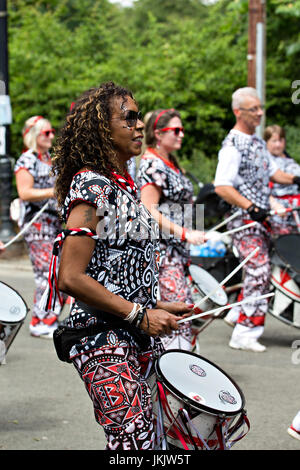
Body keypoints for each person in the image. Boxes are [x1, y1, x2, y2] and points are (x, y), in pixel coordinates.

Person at [43, 82, 193, 451]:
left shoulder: (125, 185)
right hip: (100, 339)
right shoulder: (91, 186)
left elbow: (115, 268)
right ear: (101, 128)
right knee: (135, 445)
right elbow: (71, 277)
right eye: (129, 118)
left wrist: (155, 307)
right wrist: (140, 315)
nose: (139, 125)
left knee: (156, 442)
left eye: (139, 116)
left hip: (133, 333)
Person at [214, 87, 300, 352]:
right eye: (255, 109)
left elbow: (274, 173)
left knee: (261, 269)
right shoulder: (233, 144)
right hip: (244, 222)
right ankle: (244, 332)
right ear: (238, 112)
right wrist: (250, 207)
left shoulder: (258, 142)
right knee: (259, 270)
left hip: (262, 220)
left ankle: (236, 316)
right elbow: (222, 186)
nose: (260, 113)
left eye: (261, 108)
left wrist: (296, 179)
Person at [136, 108, 205, 351]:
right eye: (176, 130)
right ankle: (172, 371)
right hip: (161, 252)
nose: (181, 134)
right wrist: (185, 232)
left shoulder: (170, 163)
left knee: (189, 310)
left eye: (182, 129)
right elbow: (148, 209)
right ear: (157, 133)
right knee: (177, 314)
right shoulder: (152, 165)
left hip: (177, 252)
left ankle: (177, 366)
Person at [14, 115, 64, 338]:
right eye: (46, 133)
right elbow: (24, 193)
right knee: (46, 272)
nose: (51, 136)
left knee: (57, 270)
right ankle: (40, 319)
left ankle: (49, 317)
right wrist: (51, 192)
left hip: (53, 222)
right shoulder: (27, 160)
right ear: (35, 135)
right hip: (37, 224)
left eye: (52, 131)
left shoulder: (48, 159)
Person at [264, 124, 300, 235]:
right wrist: (274, 204)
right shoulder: (266, 160)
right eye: (274, 141)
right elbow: (262, 186)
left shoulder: (289, 159)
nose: (278, 144)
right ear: (266, 142)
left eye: (280, 140)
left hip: (296, 213)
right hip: (279, 216)